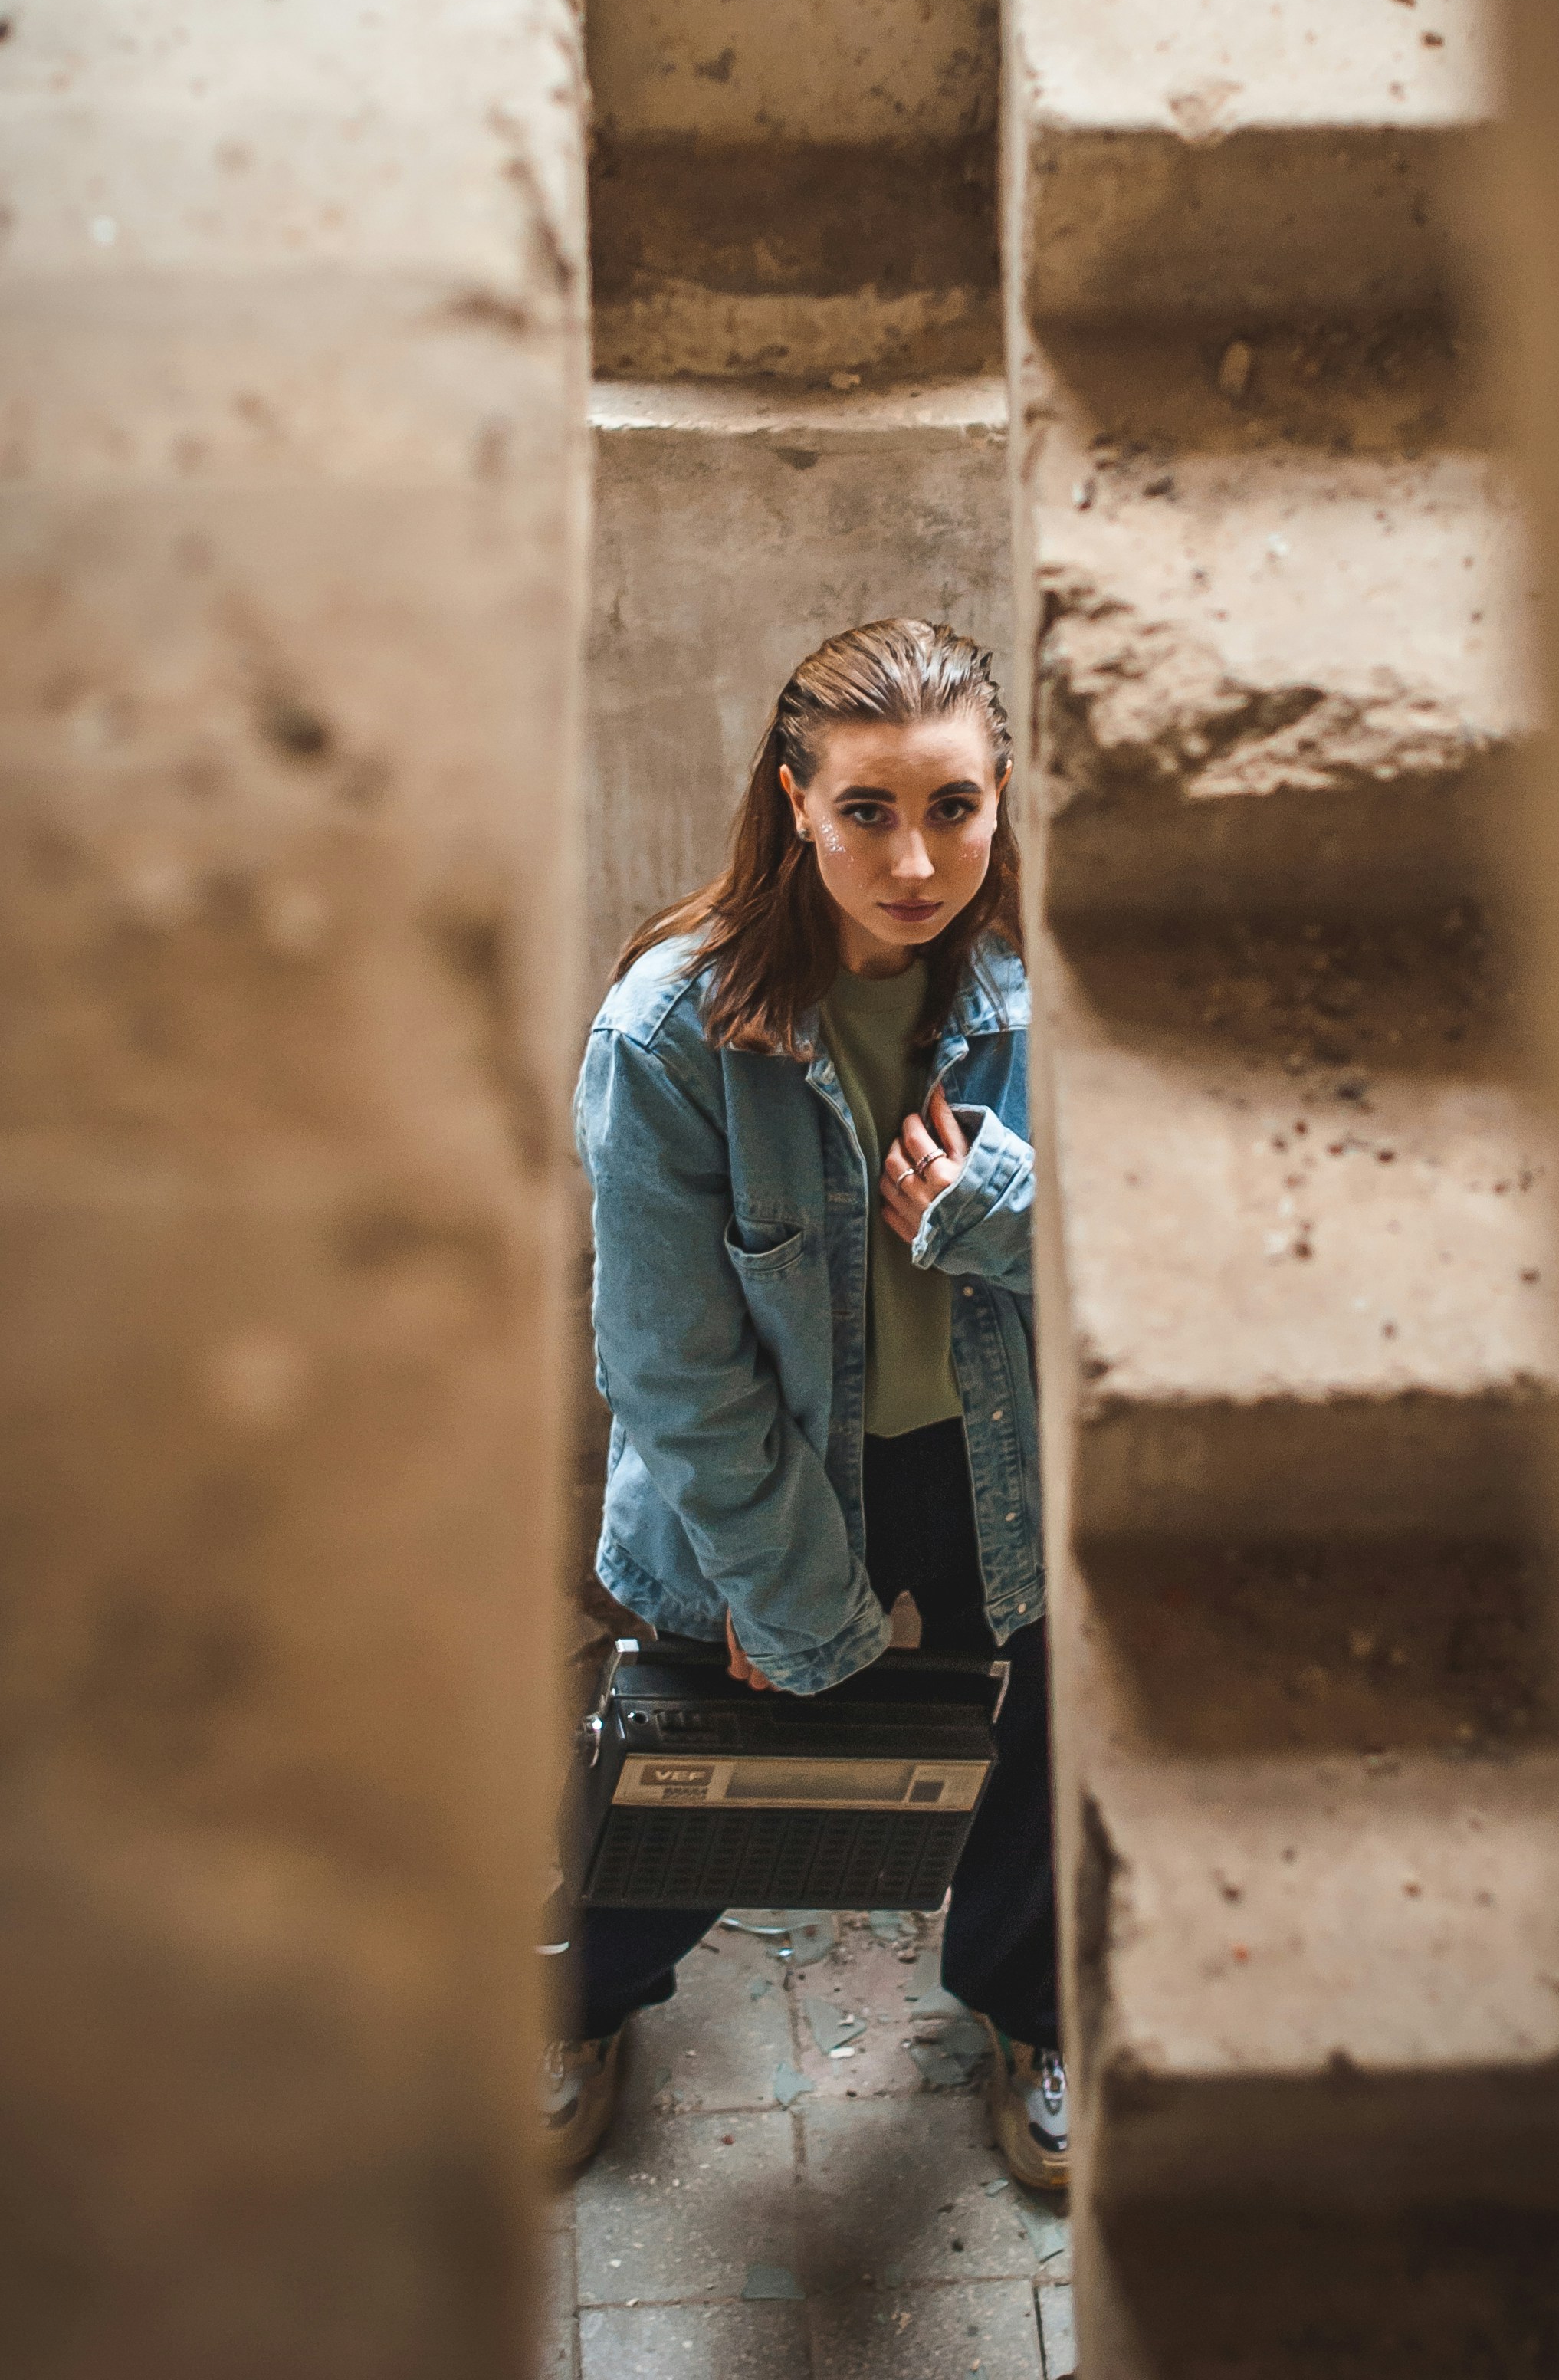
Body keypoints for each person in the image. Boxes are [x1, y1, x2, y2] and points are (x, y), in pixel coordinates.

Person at [543, 618, 1065, 2191]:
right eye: (867, 811)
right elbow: (667, 1363)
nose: (916, 858)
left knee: (1035, 1751)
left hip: (992, 1464)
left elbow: (1156, 1252)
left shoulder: (1047, 993)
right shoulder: (671, 1033)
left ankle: (1028, 2011)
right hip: (761, 1494)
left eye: (954, 808)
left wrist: (997, 1211)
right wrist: (785, 1591)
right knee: (694, 1782)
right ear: (793, 802)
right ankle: (574, 1998)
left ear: (1003, 795)